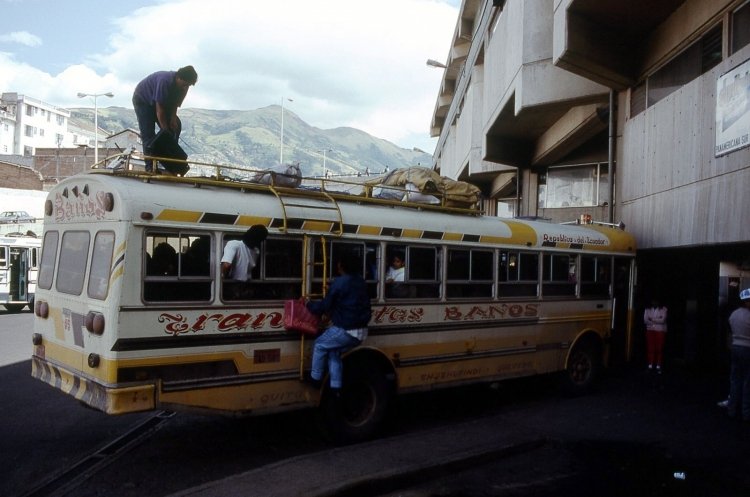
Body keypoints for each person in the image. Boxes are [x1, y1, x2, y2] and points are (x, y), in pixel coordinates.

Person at [305, 255, 372, 392]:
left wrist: (308, 304)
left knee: (319, 345)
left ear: (341, 266)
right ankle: (336, 386)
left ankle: (315, 379)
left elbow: (325, 305)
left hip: (346, 329)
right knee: (334, 351)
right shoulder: (361, 281)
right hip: (362, 332)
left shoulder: (340, 282)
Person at [132, 65, 198, 172]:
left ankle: (172, 164)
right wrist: (164, 129)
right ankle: (150, 167)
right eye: (185, 84)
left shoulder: (183, 87)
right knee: (148, 134)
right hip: (143, 100)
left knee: (176, 126)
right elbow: (160, 110)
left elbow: (175, 104)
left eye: (188, 86)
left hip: (160, 105)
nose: (186, 88)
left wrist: (172, 118)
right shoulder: (164, 81)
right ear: (179, 78)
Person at [727, 288, 750, 422]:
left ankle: (731, 409)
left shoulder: (734, 314)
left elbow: (730, 329)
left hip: (735, 347)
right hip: (748, 349)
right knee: (748, 381)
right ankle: (746, 413)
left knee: (735, 379)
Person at [644, 298, 668, 373]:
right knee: (650, 348)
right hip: (650, 330)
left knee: (659, 348)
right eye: (653, 300)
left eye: (656, 301)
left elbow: (663, 320)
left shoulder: (664, 309)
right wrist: (657, 319)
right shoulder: (647, 309)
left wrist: (651, 319)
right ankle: (650, 365)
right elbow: (645, 320)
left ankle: (658, 366)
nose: (654, 302)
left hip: (660, 331)